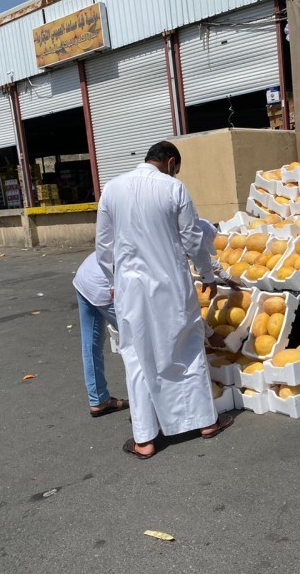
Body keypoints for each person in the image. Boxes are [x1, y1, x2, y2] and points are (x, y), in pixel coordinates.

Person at [96, 141, 233, 460]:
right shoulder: (174, 188)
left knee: (137, 356)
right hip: (171, 285)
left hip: (131, 289)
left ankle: (144, 439)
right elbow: (192, 239)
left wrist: (112, 282)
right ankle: (206, 423)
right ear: (171, 162)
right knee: (187, 349)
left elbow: (104, 245)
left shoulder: (112, 189)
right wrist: (207, 275)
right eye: (176, 169)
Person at [73, 253, 130, 417]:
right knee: (138, 342)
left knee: (90, 342)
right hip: (105, 284)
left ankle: (98, 399)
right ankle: (149, 406)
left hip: (86, 275)